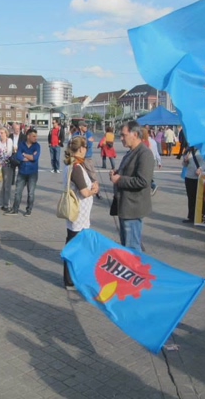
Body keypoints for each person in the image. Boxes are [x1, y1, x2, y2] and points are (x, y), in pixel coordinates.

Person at [109, 121, 155, 251]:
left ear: (134, 134)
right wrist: (117, 173)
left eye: (124, 135)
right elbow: (129, 172)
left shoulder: (144, 154)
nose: (121, 138)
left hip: (133, 208)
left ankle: (136, 270)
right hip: (125, 206)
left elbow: (143, 181)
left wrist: (119, 179)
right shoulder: (131, 152)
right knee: (127, 246)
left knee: (132, 247)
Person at [62, 136, 98, 289]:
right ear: (81, 149)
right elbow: (84, 192)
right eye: (86, 148)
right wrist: (94, 190)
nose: (86, 151)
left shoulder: (71, 164)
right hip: (79, 213)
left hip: (77, 213)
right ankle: (70, 279)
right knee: (75, 246)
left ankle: (72, 278)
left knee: (74, 244)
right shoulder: (76, 167)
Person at [6, 128, 41, 216]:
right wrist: (28, 157)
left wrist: (25, 155)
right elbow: (18, 156)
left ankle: (29, 210)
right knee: (18, 192)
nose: (35, 138)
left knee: (31, 193)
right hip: (22, 172)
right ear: (28, 136)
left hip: (32, 173)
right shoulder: (21, 145)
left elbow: (34, 158)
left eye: (36, 136)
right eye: (33, 136)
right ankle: (15, 209)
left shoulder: (37, 146)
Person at [182, 147, 205, 223]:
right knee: (191, 198)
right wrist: (185, 161)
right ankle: (191, 217)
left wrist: (201, 168)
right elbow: (184, 165)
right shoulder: (189, 149)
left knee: (202, 198)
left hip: (202, 177)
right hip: (189, 177)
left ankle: (202, 217)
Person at [0, 127, 15, 212]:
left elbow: (9, 152)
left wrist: (1, 161)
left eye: (2, 133)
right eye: (0, 133)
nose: (1, 134)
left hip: (7, 165)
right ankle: (1, 203)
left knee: (7, 185)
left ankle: (7, 204)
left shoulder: (9, 141)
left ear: (6, 133)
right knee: (0, 185)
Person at [141, 127, 163, 196]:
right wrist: (159, 162)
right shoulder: (153, 142)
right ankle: (150, 186)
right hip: (152, 160)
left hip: (145, 160)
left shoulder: (144, 142)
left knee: (145, 175)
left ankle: (152, 185)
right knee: (148, 175)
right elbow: (156, 153)